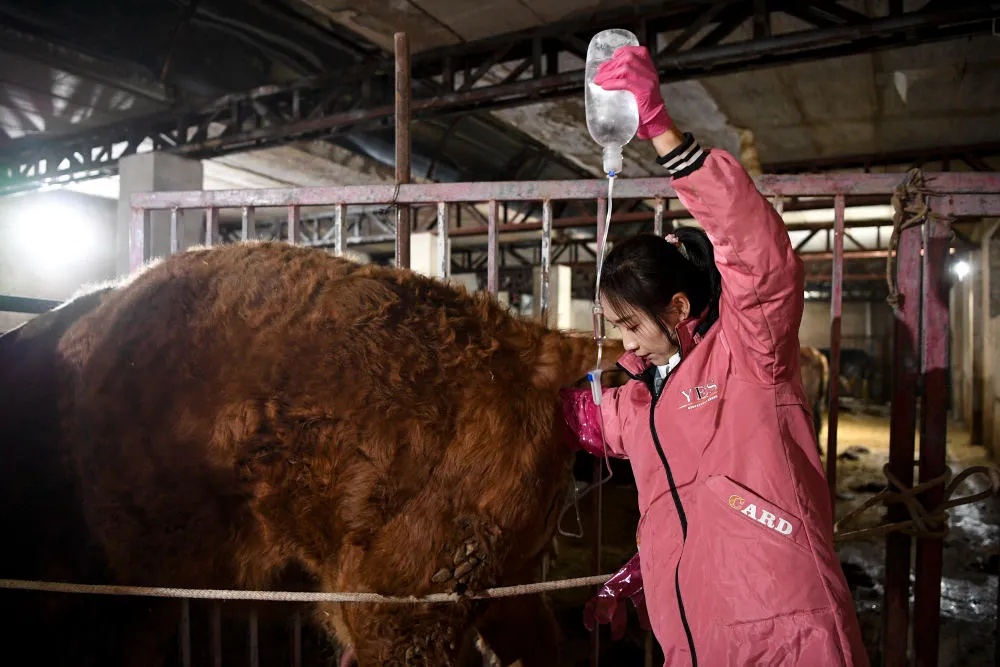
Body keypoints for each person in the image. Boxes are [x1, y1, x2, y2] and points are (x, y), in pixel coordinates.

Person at [560, 44, 870, 666]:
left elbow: (759, 255)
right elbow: (571, 417)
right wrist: (643, 568)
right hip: (693, 637)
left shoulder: (750, 355)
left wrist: (664, 135)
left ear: (677, 308)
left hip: (785, 634)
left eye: (629, 323)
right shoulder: (639, 401)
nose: (622, 342)